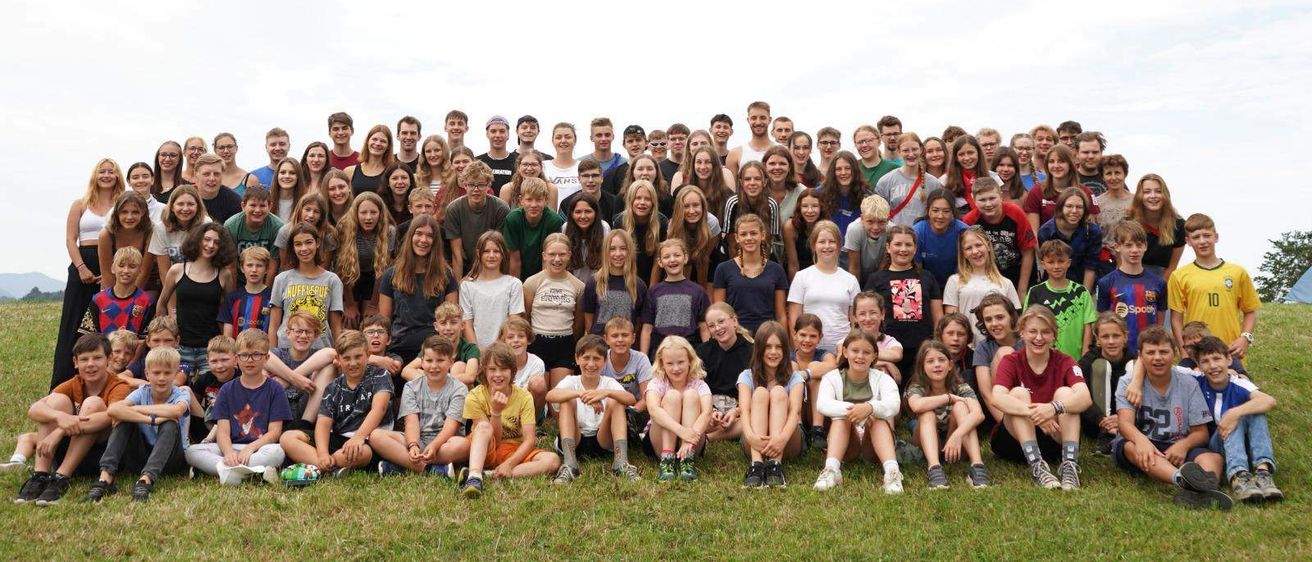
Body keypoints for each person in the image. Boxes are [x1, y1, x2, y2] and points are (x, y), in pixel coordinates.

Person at [1112, 327, 1232, 510]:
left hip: (1178, 445)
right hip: (1144, 444)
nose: (1157, 358)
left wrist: (1184, 445)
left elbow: (1201, 433)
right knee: (1130, 447)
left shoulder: (1188, 383)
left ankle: (1205, 490)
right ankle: (1183, 481)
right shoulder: (1128, 383)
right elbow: (1124, 423)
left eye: (1164, 352)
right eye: (1150, 352)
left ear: (1175, 353)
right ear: (1140, 356)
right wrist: (1141, 440)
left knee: (1213, 457)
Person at [16, 334, 131, 505]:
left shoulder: (119, 385)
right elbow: (34, 409)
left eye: (97, 358)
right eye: (84, 359)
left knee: (93, 404)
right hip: (68, 448)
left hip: (99, 455)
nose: (90, 364)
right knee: (56, 401)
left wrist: (62, 429)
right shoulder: (74, 382)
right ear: (76, 363)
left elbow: (112, 415)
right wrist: (60, 417)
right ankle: (41, 475)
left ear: (109, 359)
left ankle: (62, 477)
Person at [989, 306, 1090, 490]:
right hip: (1014, 442)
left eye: (1045, 332)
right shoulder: (1011, 361)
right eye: (1032, 331)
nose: (1038, 337)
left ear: (1054, 335)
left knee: (1066, 394)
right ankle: (1037, 466)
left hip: (1054, 439)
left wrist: (1052, 408)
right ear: (1022, 333)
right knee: (1018, 394)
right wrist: (1035, 414)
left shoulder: (1065, 361)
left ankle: (1069, 465)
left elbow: (1085, 398)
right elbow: (997, 398)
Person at [183, 329, 292, 486]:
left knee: (277, 452)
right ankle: (251, 472)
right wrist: (228, 453)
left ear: (266, 358)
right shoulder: (227, 390)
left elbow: (274, 433)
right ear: (236, 359)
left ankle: (225, 472)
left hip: (260, 448)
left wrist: (250, 449)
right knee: (192, 452)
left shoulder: (275, 389)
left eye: (256, 355)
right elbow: (222, 432)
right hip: (231, 446)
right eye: (244, 355)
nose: (249, 360)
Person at [280, 330, 394, 478]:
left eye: (358, 356)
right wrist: (322, 454)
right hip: (338, 438)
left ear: (367, 354)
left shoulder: (380, 376)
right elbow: (323, 423)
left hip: (366, 440)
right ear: (338, 359)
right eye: (346, 358)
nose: (353, 363)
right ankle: (326, 467)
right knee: (287, 437)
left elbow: (379, 409)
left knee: (361, 454)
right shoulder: (333, 387)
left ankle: (316, 468)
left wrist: (358, 437)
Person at [53, 159, 126, 389]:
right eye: (102, 171)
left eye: (111, 171)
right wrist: (81, 268)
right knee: (73, 324)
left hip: (111, 263)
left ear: (117, 176)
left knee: (104, 323)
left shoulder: (122, 202)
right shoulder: (80, 204)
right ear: (95, 175)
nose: (106, 175)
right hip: (82, 264)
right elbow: (70, 239)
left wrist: (110, 273)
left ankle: (103, 382)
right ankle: (63, 383)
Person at [1181, 336, 1281, 502]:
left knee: (1254, 411)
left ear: (1228, 360)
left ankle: (1263, 472)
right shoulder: (1196, 380)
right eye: (1205, 361)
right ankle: (1238, 476)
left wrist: (1234, 413)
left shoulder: (1238, 383)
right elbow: (1163, 365)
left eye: (1217, 359)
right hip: (1215, 447)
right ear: (1198, 366)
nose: (1212, 366)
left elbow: (1269, 400)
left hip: (1243, 445)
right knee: (1237, 418)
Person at [458, 342, 562, 498]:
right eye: (492, 369)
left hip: (511, 450)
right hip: (485, 448)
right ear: (484, 370)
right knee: (484, 427)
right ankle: (474, 477)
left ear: (513, 371)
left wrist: (510, 463)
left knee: (553, 460)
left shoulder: (523, 396)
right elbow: (495, 439)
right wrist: (496, 412)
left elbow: (529, 440)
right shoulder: (475, 396)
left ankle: (487, 475)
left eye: (504, 369)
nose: (498, 374)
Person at [812, 328, 902, 493]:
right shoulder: (831, 378)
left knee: (878, 418)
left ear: (875, 355)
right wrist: (857, 411)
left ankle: (892, 473)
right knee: (842, 418)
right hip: (847, 444)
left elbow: (894, 405)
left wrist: (869, 407)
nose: (860, 356)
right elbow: (823, 404)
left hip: (874, 444)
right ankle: (831, 470)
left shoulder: (883, 378)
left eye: (866, 352)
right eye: (855, 351)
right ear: (845, 352)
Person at [547, 335, 641, 483]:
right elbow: (550, 396)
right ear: (577, 359)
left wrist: (606, 393)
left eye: (597, 359)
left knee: (616, 401)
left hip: (602, 440)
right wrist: (581, 394)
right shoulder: (572, 381)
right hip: (576, 439)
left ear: (605, 361)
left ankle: (621, 463)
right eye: (586, 358)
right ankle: (570, 465)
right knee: (567, 400)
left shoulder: (608, 383)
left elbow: (631, 399)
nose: (591, 364)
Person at [372, 336, 470, 477]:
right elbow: (411, 422)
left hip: (444, 443)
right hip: (417, 439)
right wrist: (413, 445)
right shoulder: (412, 387)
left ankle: (402, 465)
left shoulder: (459, 389)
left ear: (450, 362)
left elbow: (451, 427)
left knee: (464, 445)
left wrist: (435, 446)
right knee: (376, 436)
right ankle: (428, 469)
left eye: (440, 360)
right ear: (422, 362)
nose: (434, 366)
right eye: (429, 361)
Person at [1168, 213, 1260, 358]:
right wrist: (1184, 350)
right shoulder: (1179, 276)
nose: (1202, 241)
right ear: (1188, 241)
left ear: (1216, 237)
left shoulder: (1237, 272)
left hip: (1230, 350)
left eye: (1207, 235)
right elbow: (1176, 319)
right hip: (1197, 351)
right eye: (1196, 237)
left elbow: (1250, 311)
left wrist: (1245, 338)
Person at [157, 223, 238, 384]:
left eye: (216, 242)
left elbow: (229, 312)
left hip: (210, 348)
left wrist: (226, 343)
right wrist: (162, 335)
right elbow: (162, 303)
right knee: (176, 388)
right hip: (181, 346)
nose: (210, 245)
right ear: (197, 240)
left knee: (209, 393)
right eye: (207, 239)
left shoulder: (224, 275)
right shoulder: (177, 270)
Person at [905, 340, 990, 489]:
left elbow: (978, 414)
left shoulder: (961, 387)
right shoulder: (917, 387)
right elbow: (916, 405)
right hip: (929, 444)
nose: (937, 365)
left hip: (958, 445)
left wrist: (957, 436)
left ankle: (977, 466)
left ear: (950, 365)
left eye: (941, 360)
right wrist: (948, 398)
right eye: (930, 361)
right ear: (922, 367)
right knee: (926, 413)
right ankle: (934, 468)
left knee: (960, 406)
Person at [865, 225, 943, 379]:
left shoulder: (927, 277)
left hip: (922, 349)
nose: (903, 249)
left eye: (908, 245)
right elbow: (864, 316)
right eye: (898, 244)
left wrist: (937, 345)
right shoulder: (876, 279)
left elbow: (938, 315)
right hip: (887, 349)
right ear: (888, 247)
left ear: (915, 249)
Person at [379, 216, 458, 363]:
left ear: (435, 241)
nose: (423, 240)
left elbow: (451, 317)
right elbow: (384, 322)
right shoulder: (391, 275)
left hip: (435, 352)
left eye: (430, 236)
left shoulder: (447, 275)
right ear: (410, 236)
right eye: (419, 233)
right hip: (399, 351)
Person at [737, 321, 805, 488]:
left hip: (788, 439)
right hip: (754, 440)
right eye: (768, 347)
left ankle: (775, 465)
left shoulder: (795, 378)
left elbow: (795, 412)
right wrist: (751, 437)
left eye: (779, 347)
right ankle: (756, 465)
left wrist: (781, 439)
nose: (773, 352)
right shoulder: (746, 376)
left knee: (779, 392)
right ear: (759, 349)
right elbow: (744, 411)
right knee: (760, 392)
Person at [267, 224, 346, 352]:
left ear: (318, 243)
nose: (304, 248)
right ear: (293, 247)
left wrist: (339, 355)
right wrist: (273, 356)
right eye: (298, 244)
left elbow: (336, 327)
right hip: (286, 350)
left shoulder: (332, 280)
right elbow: (273, 326)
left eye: (309, 242)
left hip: (320, 351)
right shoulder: (281, 279)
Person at [524, 233, 585, 392]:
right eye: (552, 254)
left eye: (562, 254)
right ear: (544, 256)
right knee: (539, 392)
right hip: (537, 342)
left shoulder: (578, 286)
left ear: (569, 255)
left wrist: (571, 340)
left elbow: (578, 322)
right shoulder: (532, 282)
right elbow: (526, 317)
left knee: (557, 405)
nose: (557, 259)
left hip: (564, 344)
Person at [647, 336, 713, 482]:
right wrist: (682, 431)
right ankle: (667, 460)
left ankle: (687, 460)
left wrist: (690, 439)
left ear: (690, 360)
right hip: (661, 440)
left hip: (692, 442)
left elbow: (707, 413)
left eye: (681, 362)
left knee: (691, 395)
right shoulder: (657, 383)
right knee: (672, 396)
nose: (676, 368)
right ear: (662, 363)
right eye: (670, 363)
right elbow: (653, 410)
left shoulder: (699, 384)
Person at [788, 221, 861, 352]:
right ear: (813, 245)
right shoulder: (801, 277)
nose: (827, 246)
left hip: (842, 349)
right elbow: (794, 318)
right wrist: (797, 348)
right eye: (822, 242)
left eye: (832, 241)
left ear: (839, 245)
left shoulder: (851, 280)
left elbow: (855, 321)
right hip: (809, 350)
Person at [1097, 221, 1167, 354]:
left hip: (1149, 352)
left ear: (1145, 246)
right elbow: (1102, 321)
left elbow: (1160, 323)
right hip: (1119, 354)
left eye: (1139, 245)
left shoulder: (1159, 283)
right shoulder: (1106, 282)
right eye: (1128, 245)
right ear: (1117, 247)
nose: (1134, 250)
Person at [712, 213, 787, 333]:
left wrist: (783, 345)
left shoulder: (776, 270)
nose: (748, 238)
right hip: (735, 336)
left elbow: (781, 315)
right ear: (737, 238)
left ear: (762, 235)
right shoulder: (723, 269)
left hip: (767, 335)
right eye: (743, 234)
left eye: (753, 233)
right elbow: (719, 313)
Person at [963, 177, 1036, 295]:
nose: (988, 204)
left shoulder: (1015, 213)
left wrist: (1022, 291)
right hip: (988, 277)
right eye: (982, 200)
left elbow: (1028, 252)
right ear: (974, 200)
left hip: (1018, 274)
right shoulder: (969, 221)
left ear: (1001, 196)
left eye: (992, 198)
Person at [1025, 240, 1096, 359]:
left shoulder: (1081, 292)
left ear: (1068, 263)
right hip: (1044, 359)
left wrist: (1085, 356)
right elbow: (1027, 326)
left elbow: (1087, 327)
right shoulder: (1035, 292)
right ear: (1043, 264)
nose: (1056, 266)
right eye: (1051, 262)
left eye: (1061, 261)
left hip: (1075, 359)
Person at [335, 192, 395, 329]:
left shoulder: (389, 231)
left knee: (370, 322)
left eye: (373, 212)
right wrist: (349, 305)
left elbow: (383, 270)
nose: (368, 217)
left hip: (375, 279)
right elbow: (343, 269)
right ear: (356, 213)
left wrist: (374, 305)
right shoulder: (344, 228)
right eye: (363, 213)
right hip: (350, 279)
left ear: (380, 213)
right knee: (350, 320)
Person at [695, 303, 752, 446]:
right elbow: (698, 387)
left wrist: (737, 411)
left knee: (752, 418)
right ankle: (715, 429)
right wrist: (711, 411)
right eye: (712, 325)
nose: (718, 328)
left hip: (740, 410)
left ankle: (710, 438)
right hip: (711, 410)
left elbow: (756, 390)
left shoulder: (752, 351)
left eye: (721, 321)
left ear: (734, 320)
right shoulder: (703, 352)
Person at [641, 239, 710, 355]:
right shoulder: (653, 292)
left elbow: (704, 327)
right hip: (660, 352)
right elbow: (647, 328)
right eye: (667, 257)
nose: (672, 260)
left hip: (690, 351)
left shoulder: (698, 291)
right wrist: (643, 357)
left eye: (677, 255)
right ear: (660, 262)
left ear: (685, 258)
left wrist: (708, 354)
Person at [1079, 313, 1135, 452]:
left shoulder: (1135, 360)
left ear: (1125, 337)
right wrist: (1101, 419)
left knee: (1134, 367)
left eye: (1116, 336)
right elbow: (1080, 397)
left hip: (1127, 420)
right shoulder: (1087, 362)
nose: (1111, 341)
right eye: (1105, 336)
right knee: (1101, 366)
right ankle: (1106, 436)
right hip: (1096, 422)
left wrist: (1122, 418)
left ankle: (1122, 431)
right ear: (1097, 339)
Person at [444, 161, 511, 277]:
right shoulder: (453, 209)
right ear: (464, 185)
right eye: (471, 185)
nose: (476, 189)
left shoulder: (501, 208)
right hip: (464, 267)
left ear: (488, 185)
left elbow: (500, 249)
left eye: (481, 185)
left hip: (492, 264)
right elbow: (457, 254)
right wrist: (459, 287)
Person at [459, 231, 525, 348]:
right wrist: (476, 354)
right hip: (476, 353)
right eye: (486, 251)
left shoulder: (514, 284)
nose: (491, 255)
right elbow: (467, 324)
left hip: (504, 351)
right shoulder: (467, 286)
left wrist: (498, 352)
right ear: (479, 254)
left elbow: (513, 324)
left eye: (496, 251)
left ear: (503, 254)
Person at [78, 247, 154, 340]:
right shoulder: (98, 299)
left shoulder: (146, 300)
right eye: (121, 266)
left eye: (132, 266)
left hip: (135, 353)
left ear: (140, 270)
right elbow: (88, 336)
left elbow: (146, 340)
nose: (126, 270)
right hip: (104, 353)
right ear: (113, 268)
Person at [969, 293, 1021, 427]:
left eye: (1000, 317)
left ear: (1011, 317)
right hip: (997, 406)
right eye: (988, 319)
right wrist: (1005, 425)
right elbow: (987, 393)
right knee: (1005, 353)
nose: (994, 324)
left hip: (1027, 397)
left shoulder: (1027, 341)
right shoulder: (983, 347)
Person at [1022, 144, 1098, 235]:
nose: (1056, 165)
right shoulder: (1036, 192)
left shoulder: (1086, 193)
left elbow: (1090, 231)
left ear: (1070, 164)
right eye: (1051, 161)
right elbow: (1033, 231)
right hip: (1047, 247)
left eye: (1061, 161)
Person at [583, 229, 648, 335]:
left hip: (626, 346)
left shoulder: (639, 285)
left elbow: (639, 322)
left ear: (630, 251)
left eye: (623, 248)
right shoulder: (594, 282)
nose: (618, 254)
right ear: (605, 252)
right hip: (600, 345)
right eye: (612, 249)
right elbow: (588, 319)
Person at [1038, 188, 1101, 290]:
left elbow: (1091, 267)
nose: (1074, 211)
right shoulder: (1046, 232)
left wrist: (1084, 295)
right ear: (1060, 207)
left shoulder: (1093, 232)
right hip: (1054, 285)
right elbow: (1048, 264)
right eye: (1069, 206)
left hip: (1083, 283)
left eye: (1079, 207)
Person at [503, 177, 566, 280]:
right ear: (520, 200)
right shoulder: (513, 219)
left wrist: (541, 287)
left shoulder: (553, 220)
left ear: (546, 200)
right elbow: (514, 258)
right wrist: (517, 287)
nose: (533, 205)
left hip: (544, 270)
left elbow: (548, 258)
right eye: (529, 199)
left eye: (538, 200)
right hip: (520, 268)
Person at [876, 133, 942, 228]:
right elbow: (879, 215)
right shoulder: (885, 181)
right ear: (899, 152)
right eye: (905, 150)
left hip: (921, 237)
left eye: (914, 149)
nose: (911, 154)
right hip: (894, 238)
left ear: (921, 150)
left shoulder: (934, 184)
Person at [1128, 173, 1185, 280]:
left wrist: (1158, 288)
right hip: (1131, 277)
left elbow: (1172, 266)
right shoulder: (1129, 222)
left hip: (1162, 280)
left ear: (1165, 195)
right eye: (1147, 192)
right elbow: (1123, 260)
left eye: (1158, 191)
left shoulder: (1178, 225)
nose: (1153, 196)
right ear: (1140, 196)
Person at [723, 161, 783, 260]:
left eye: (757, 179)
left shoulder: (772, 204)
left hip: (762, 254)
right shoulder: (732, 202)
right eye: (747, 179)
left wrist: (760, 268)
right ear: (741, 183)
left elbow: (768, 242)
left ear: (765, 182)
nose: (752, 183)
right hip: (734, 255)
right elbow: (731, 243)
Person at [224, 186, 284, 284]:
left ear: (269, 206)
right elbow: (230, 265)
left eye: (262, 206)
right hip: (240, 278)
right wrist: (233, 294)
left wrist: (266, 294)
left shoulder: (277, 227)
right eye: (252, 205)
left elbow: (273, 266)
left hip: (265, 279)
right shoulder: (231, 226)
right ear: (243, 206)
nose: (257, 210)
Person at [615, 180, 669, 285]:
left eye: (647, 199)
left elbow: (657, 261)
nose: (642, 202)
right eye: (638, 198)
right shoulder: (620, 221)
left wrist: (651, 290)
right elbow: (621, 258)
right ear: (630, 200)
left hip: (653, 274)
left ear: (653, 202)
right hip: (628, 274)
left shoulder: (661, 222)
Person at [914, 189, 970, 289]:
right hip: (925, 284)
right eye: (935, 210)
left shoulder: (963, 231)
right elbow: (916, 268)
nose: (940, 216)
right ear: (928, 211)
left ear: (953, 212)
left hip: (957, 283)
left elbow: (966, 266)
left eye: (946, 211)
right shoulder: (918, 232)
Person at [667, 186, 721, 289]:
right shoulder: (672, 225)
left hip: (708, 262)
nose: (691, 211)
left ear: (703, 206)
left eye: (696, 205)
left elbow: (705, 257)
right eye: (686, 206)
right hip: (683, 264)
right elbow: (679, 260)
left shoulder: (712, 222)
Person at [672, 145, 735, 230]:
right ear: (693, 165)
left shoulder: (727, 195)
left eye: (708, 162)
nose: (702, 167)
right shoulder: (682, 192)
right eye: (698, 162)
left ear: (715, 165)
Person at [274, 193, 338, 273]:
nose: (311, 215)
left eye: (316, 211)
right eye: (307, 209)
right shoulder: (285, 232)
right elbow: (286, 265)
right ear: (300, 210)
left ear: (321, 216)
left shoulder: (328, 234)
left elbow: (324, 268)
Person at [940, 135, 1004, 214]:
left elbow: (1001, 206)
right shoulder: (945, 180)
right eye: (961, 154)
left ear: (978, 153)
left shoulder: (993, 178)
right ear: (956, 158)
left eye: (970, 153)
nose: (966, 158)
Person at [218, 247, 273, 336]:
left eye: (259, 265)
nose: (254, 270)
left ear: (266, 269)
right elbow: (227, 335)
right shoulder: (232, 298)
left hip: (264, 349)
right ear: (242, 268)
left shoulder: (273, 297)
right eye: (249, 265)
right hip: (237, 349)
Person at [843, 192, 891, 282]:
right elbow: (854, 267)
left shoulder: (891, 230)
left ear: (888, 220)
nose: (875, 227)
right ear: (862, 218)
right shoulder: (854, 229)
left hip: (878, 272)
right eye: (870, 221)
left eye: (881, 222)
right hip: (857, 271)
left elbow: (883, 266)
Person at [1093, 154, 1133, 262]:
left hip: (1129, 258)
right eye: (1109, 173)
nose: (1113, 178)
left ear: (1125, 174)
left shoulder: (1135, 202)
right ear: (1102, 177)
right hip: (1104, 260)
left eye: (1118, 173)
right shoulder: (1096, 203)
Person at [345, 124, 396, 198]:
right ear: (367, 141)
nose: (378, 143)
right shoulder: (350, 172)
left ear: (388, 146)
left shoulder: (391, 173)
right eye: (374, 139)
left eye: (383, 141)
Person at [782, 188, 823, 280]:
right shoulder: (790, 227)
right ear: (799, 208)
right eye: (805, 206)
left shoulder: (826, 226)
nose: (810, 211)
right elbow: (793, 265)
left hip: (819, 272)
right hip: (797, 271)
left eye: (815, 206)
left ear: (821, 207)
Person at [725, 100, 774, 172]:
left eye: (763, 118)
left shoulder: (783, 150)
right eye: (754, 118)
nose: (758, 122)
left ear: (769, 120)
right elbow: (730, 183)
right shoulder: (735, 154)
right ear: (748, 120)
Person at [763, 146, 805, 224]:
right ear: (765, 166)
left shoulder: (801, 192)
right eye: (772, 164)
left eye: (782, 164)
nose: (777, 167)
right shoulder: (758, 190)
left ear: (789, 167)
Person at [212, 133, 261, 198]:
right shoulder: (211, 179)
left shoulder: (250, 180)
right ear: (215, 150)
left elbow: (257, 206)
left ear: (236, 148)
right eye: (221, 148)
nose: (226, 151)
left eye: (229, 146)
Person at [543, 122, 581, 205]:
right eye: (558, 137)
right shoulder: (543, 167)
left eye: (568, 137)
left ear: (575, 140)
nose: (563, 141)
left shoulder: (582, 167)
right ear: (553, 141)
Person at [1074, 131, 1107, 196]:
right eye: (1086, 152)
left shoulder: (1112, 179)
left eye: (1095, 152)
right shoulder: (1068, 179)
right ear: (1077, 153)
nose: (1091, 156)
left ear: (1101, 153)